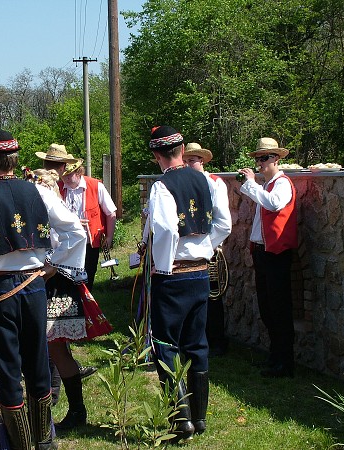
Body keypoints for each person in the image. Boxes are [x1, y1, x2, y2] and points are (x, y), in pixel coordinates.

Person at [0, 128, 86, 450]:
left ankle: (19, 443)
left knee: (7, 365)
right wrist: (55, 266)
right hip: (35, 284)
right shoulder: (40, 192)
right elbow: (76, 230)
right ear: (14, 158)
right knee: (37, 359)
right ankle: (44, 439)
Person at [140, 126, 231, 441]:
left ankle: (181, 420)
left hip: (173, 274)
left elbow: (164, 230)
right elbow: (224, 224)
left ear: (157, 155)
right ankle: (200, 418)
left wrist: (160, 267)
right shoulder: (208, 181)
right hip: (200, 272)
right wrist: (205, 248)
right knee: (196, 342)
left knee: (164, 343)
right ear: (180, 149)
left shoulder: (162, 185)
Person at [23, 167, 112, 430]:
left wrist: (52, 265)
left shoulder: (55, 211)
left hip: (56, 283)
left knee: (55, 349)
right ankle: (63, 409)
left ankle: (75, 411)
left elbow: (74, 238)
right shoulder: (45, 211)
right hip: (49, 281)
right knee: (52, 349)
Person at [237, 137, 297, 378]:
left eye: (263, 158)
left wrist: (251, 184)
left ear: (276, 159)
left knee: (279, 308)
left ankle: (285, 362)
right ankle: (275, 357)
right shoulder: (268, 185)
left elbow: (273, 205)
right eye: (258, 158)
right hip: (264, 252)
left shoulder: (281, 184)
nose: (259, 163)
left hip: (277, 254)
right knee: (267, 308)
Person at [183, 143, 232, 356]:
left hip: (209, 247)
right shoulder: (183, 183)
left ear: (202, 161)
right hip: (192, 249)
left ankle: (217, 341)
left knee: (212, 295)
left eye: (192, 160)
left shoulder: (214, 183)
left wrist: (207, 246)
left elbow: (223, 222)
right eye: (185, 160)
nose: (188, 164)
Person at [60, 158, 117, 291]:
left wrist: (109, 237)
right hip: (66, 243)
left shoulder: (96, 186)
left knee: (87, 278)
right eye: (63, 175)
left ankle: (86, 307)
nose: (66, 178)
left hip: (89, 243)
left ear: (79, 172)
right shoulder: (58, 188)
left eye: (69, 174)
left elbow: (111, 213)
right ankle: (72, 307)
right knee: (66, 280)